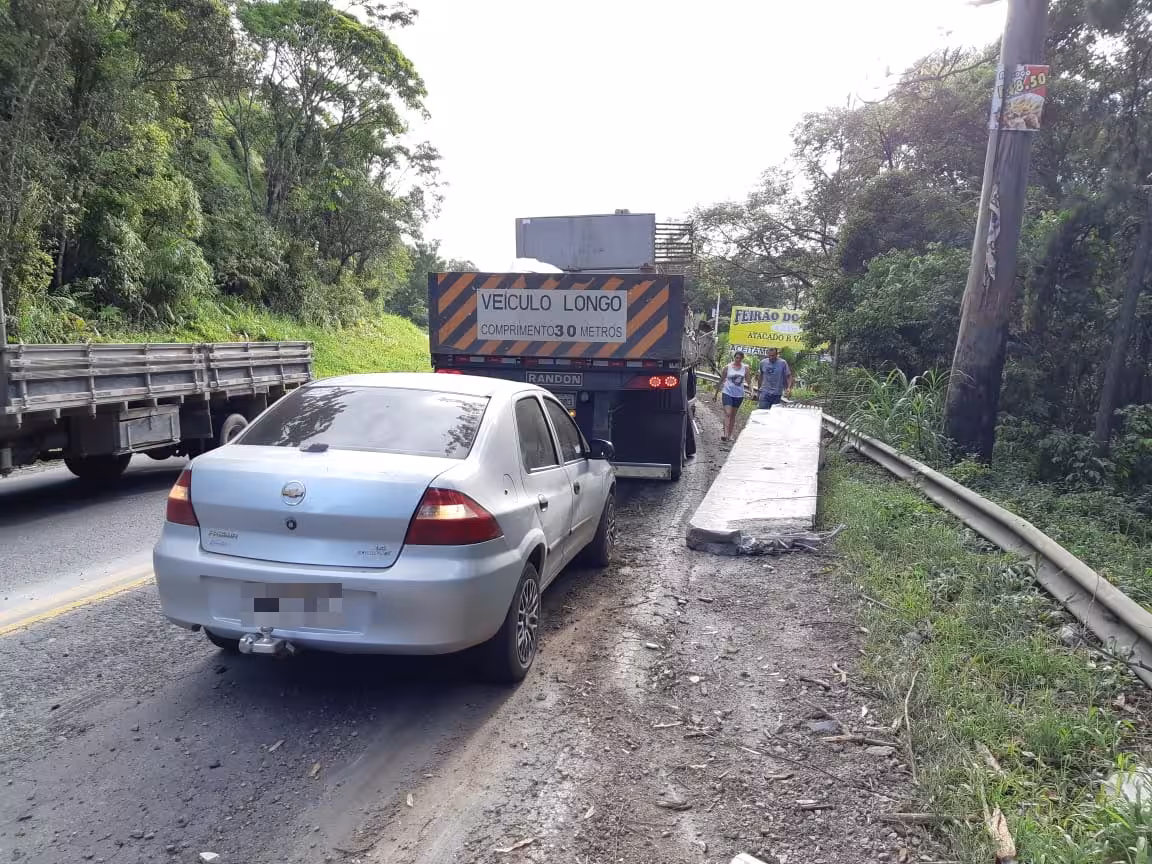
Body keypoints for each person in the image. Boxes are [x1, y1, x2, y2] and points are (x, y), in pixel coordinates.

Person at [714, 351, 749, 442]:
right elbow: (721, 380)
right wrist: (716, 393)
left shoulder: (745, 368)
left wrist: (752, 391)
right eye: (736, 358)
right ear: (734, 357)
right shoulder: (727, 367)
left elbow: (749, 381)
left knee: (733, 415)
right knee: (728, 413)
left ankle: (730, 435)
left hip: (739, 394)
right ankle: (725, 434)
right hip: (727, 392)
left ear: (742, 359)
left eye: (740, 358)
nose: (738, 360)